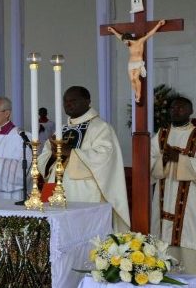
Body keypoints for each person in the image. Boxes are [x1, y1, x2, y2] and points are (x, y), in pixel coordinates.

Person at [39, 86, 129, 231]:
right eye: (65, 101)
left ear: (87, 101)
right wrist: (54, 154)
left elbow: (104, 157)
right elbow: (44, 157)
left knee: (82, 233)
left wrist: (72, 152)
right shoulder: (61, 129)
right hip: (54, 187)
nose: (68, 104)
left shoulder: (101, 128)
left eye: (73, 100)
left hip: (84, 192)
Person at [150, 96, 196, 279]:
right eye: (173, 108)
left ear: (190, 111)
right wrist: (163, 158)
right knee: (162, 228)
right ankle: (162, 269)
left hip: (190, 194)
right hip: (165, 188)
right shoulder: (161, 134)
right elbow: (149, 160)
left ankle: (193, 272)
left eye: (180, 108)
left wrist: (179, 158)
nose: (176, 111)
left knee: (189, 229)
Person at [107, 19, 167, 103]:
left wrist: (159, 25)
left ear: (128, 39)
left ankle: (139, 94)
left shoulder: (139, 42)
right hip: (131, 64)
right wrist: (113, 30)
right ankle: (136, 93)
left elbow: (150, 34)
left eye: (125, 41)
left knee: (136, 78)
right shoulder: (128, 44)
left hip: (138, 63)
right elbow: (119, 36)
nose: (124, 43)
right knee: (132, 80)